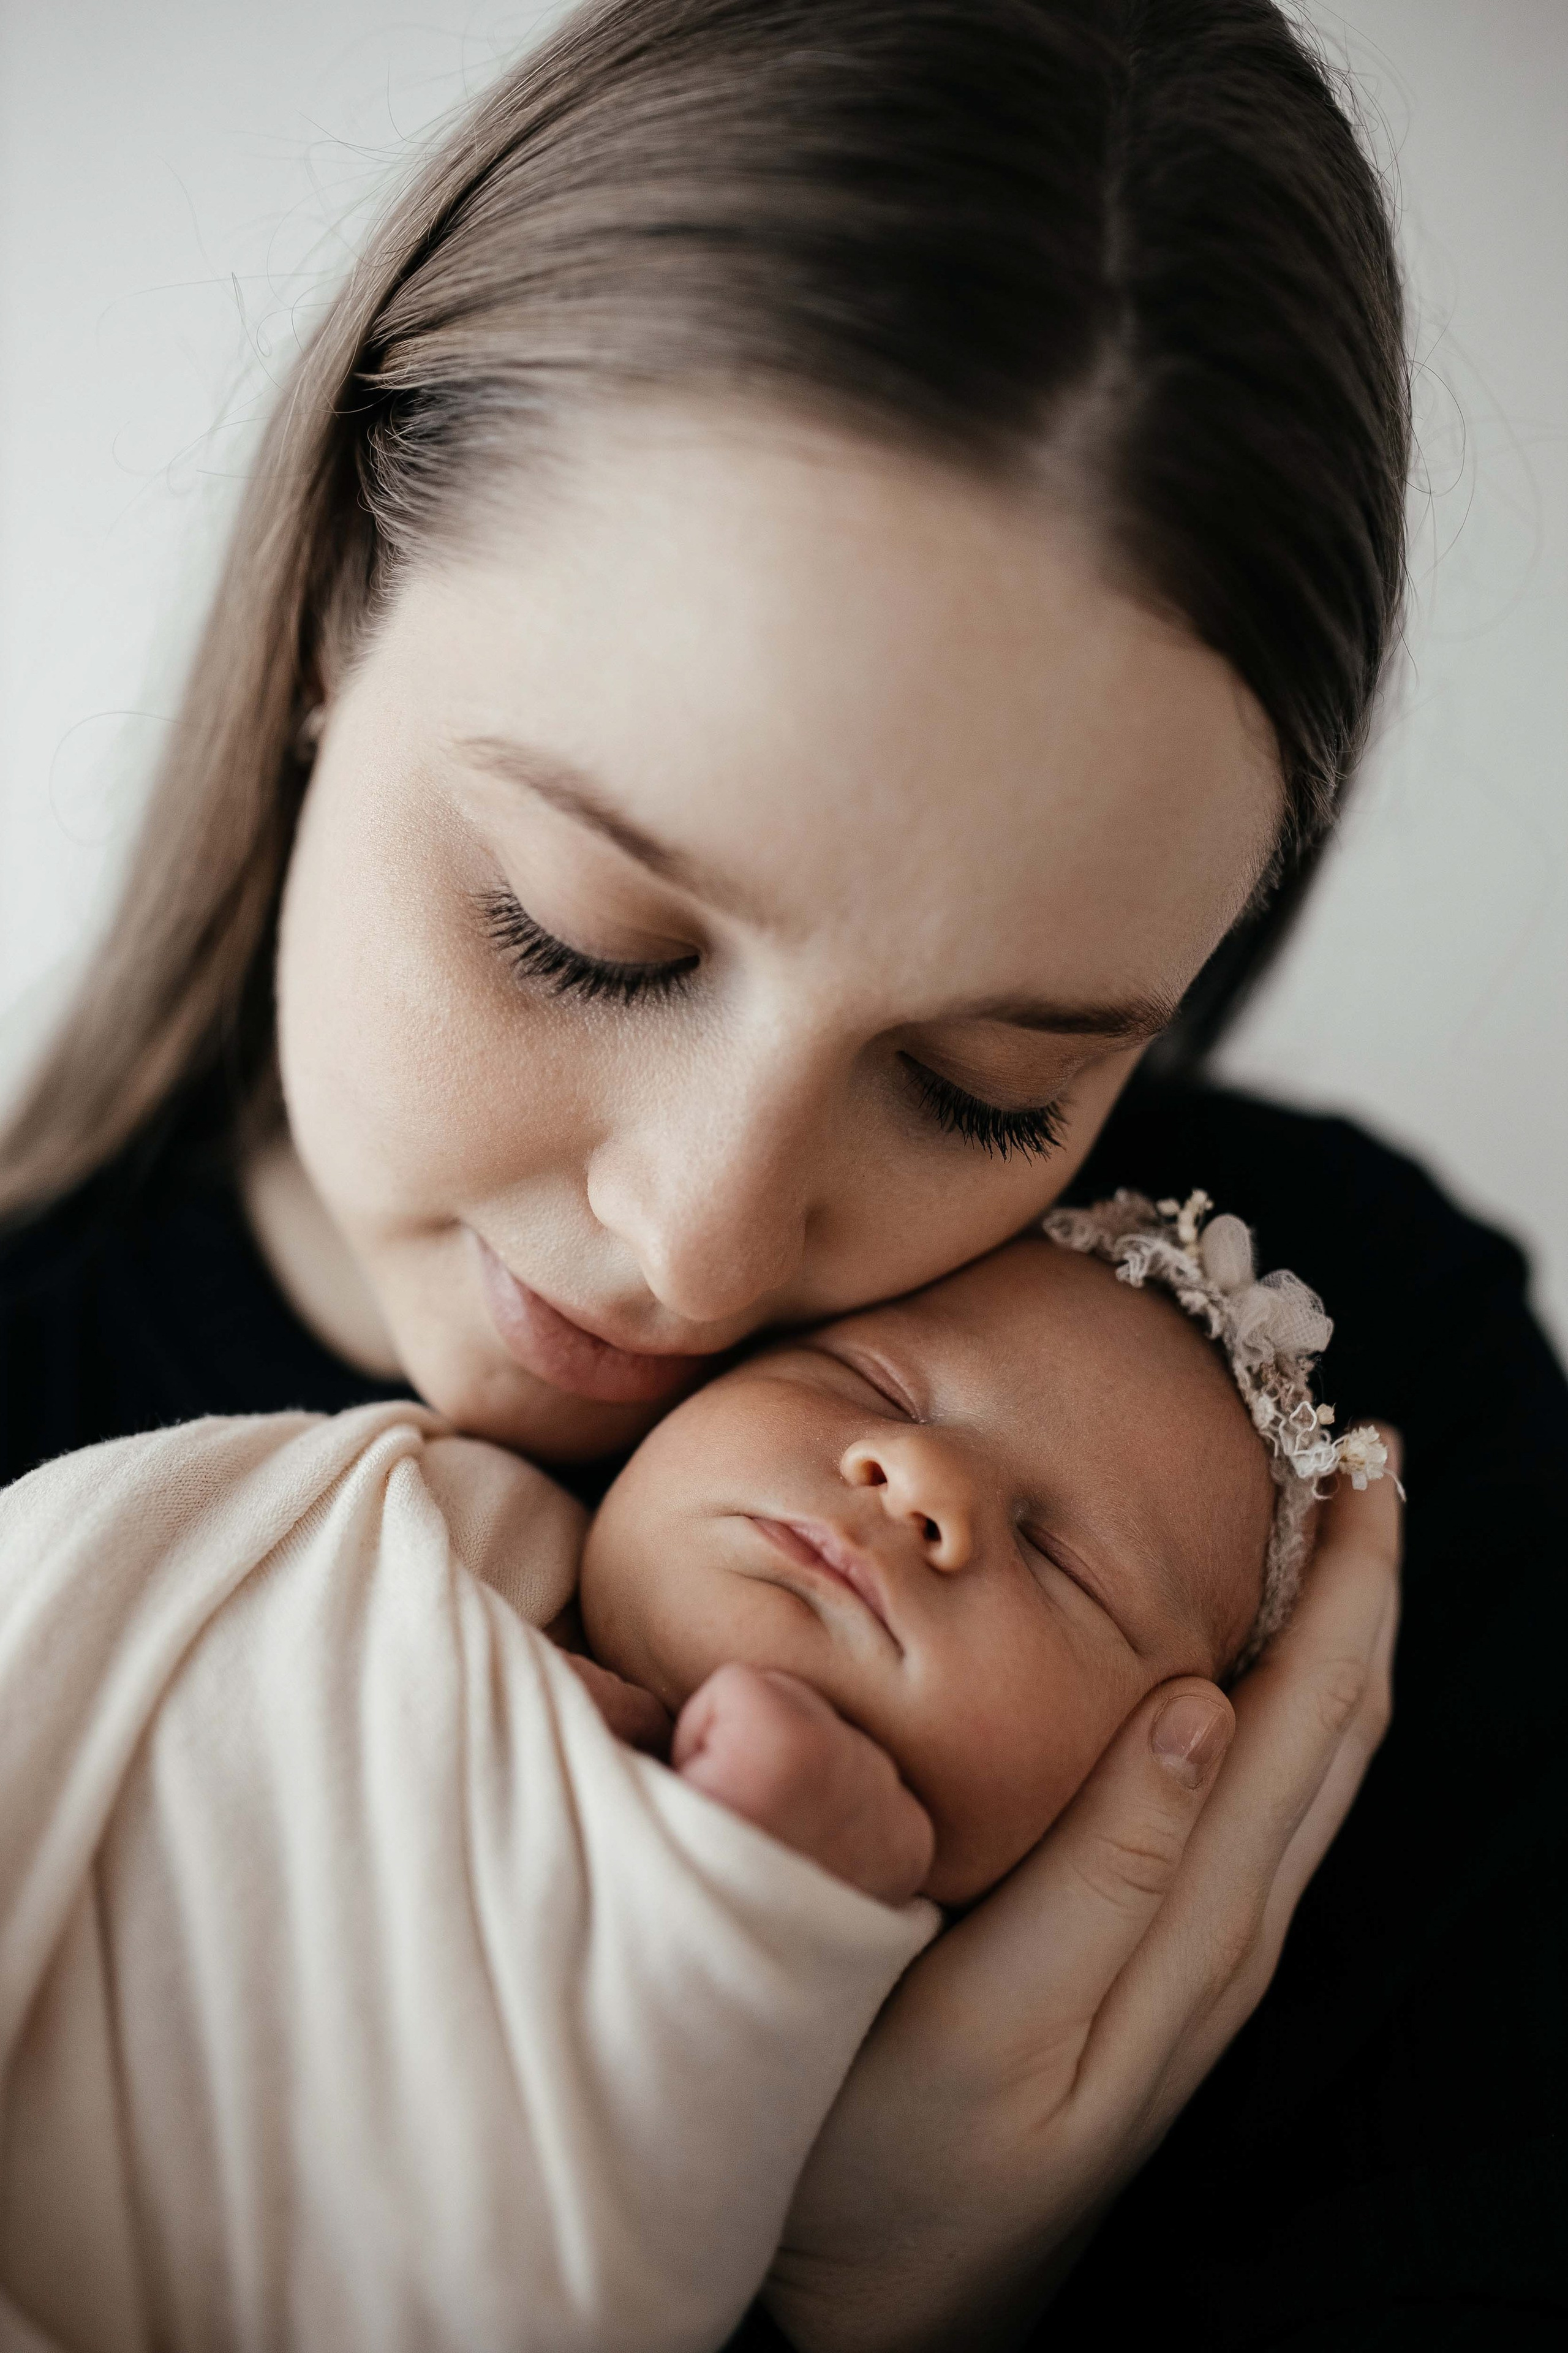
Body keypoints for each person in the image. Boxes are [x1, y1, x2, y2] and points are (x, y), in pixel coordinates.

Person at [0, 1, 1560, 2343]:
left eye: (985, 1094)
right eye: (587, 938)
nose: (705, 1244)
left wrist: (927, 2296)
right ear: (337, 609)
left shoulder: (1336, 1433)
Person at [0, 1198, 1394, 2353]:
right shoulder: (383, 1520)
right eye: (870, 1384)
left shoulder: (889, 2056)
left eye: (1063, 1565)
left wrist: (765, 1892)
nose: (919, 1476)